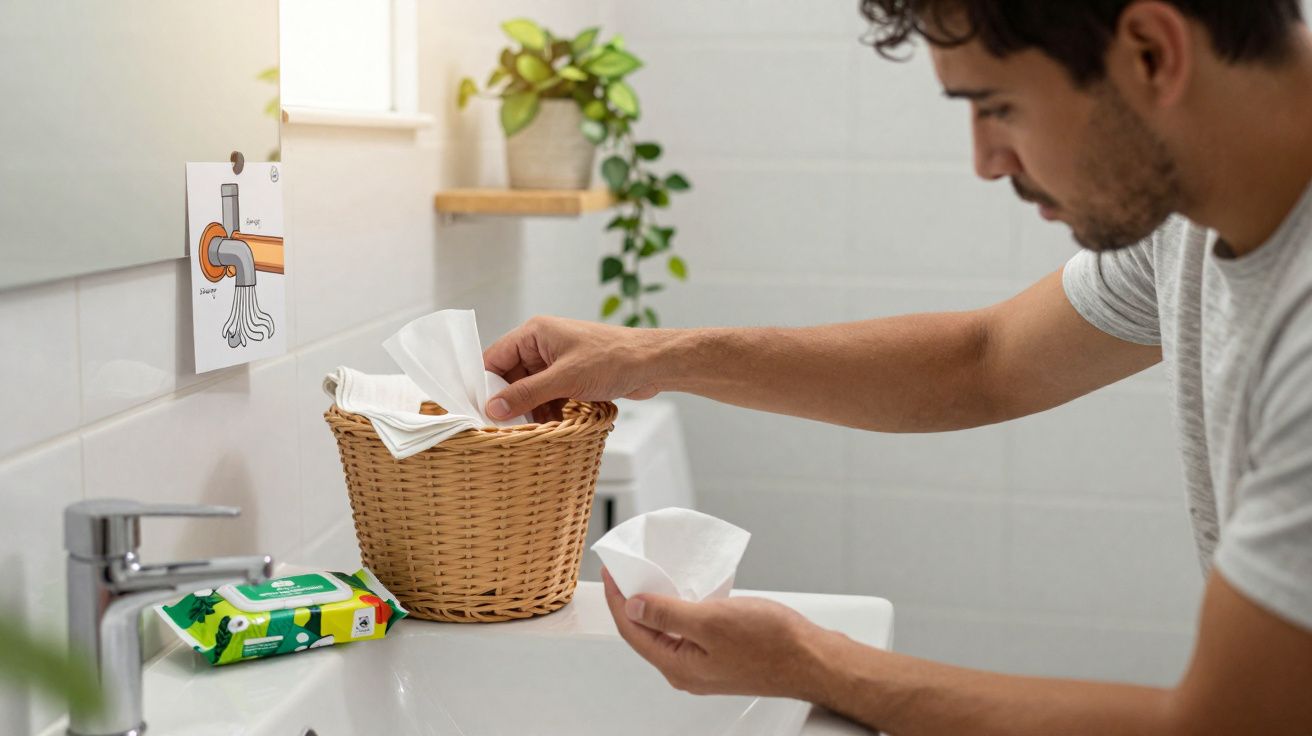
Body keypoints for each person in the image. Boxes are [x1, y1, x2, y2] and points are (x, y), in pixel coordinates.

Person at [481, 1, 1312, 732]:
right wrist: (647, 355)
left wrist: (812, 663)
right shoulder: (1192, 223)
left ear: (1151, 53)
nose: (987, 160)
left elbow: (1229, 725)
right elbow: (980, 362)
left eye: (997, 106)